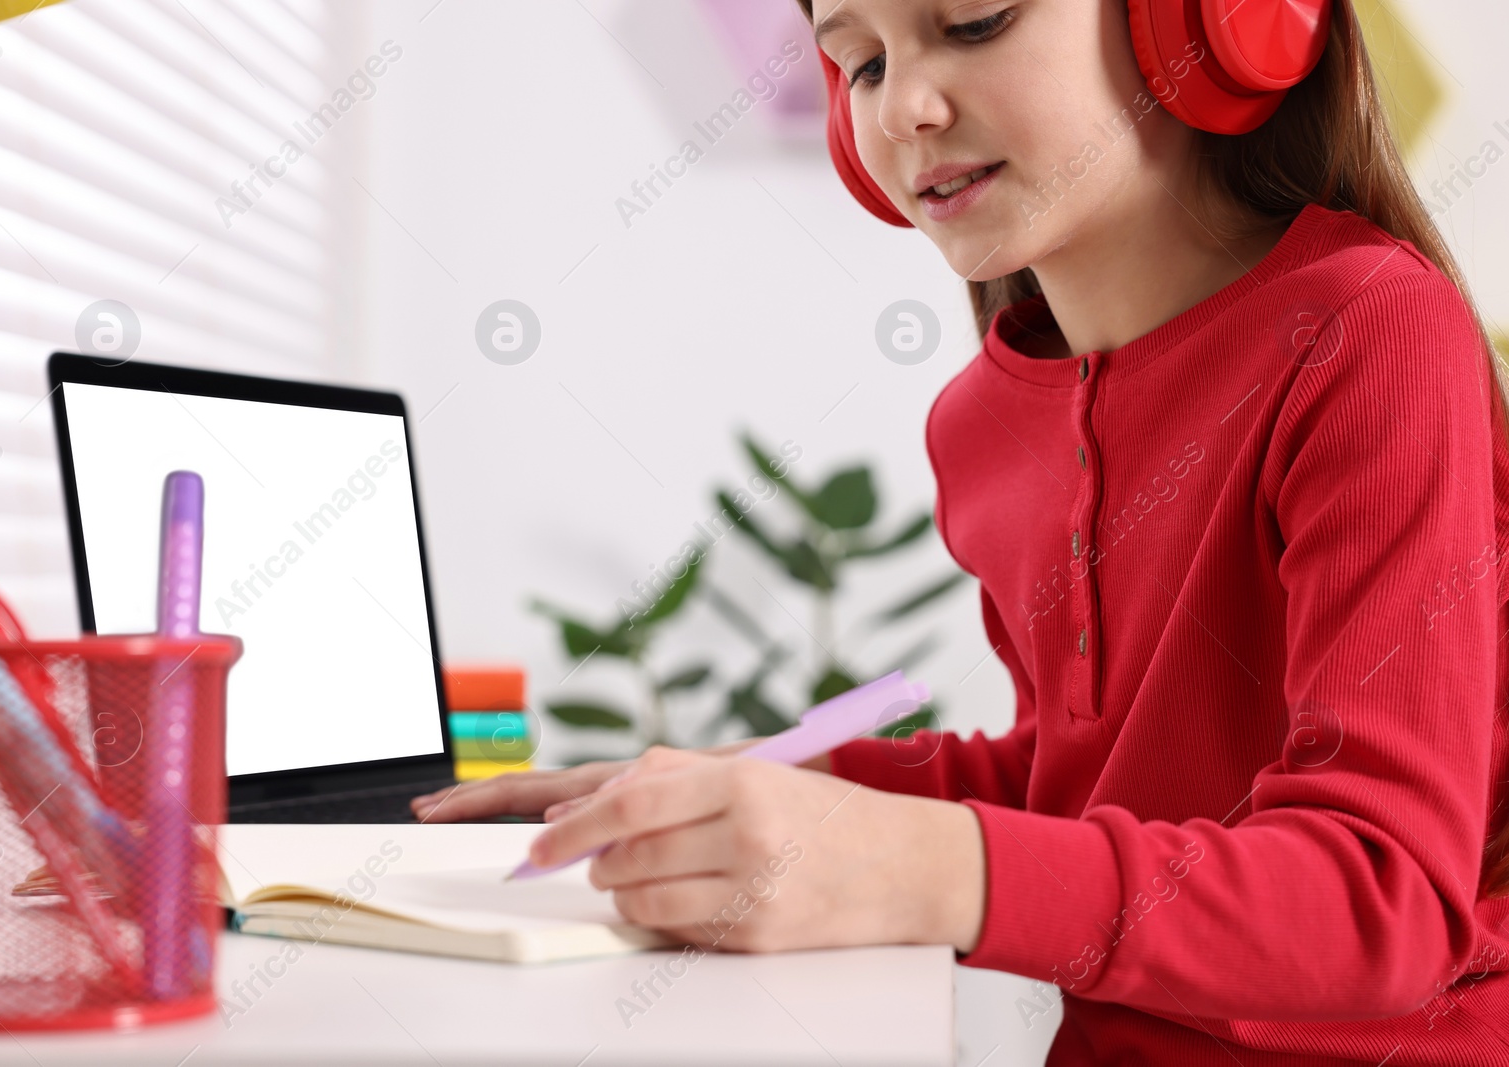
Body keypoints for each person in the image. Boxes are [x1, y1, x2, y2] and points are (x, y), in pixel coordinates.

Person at [414, 0, 1509, 1060]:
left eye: (975, 23)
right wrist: (737, 783)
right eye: (862, 62)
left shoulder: (1366, 329)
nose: (901, 113)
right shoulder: (980, 422)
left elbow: (1382, 897)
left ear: (1201, 18)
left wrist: (919, 864)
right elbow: (1078, 776)